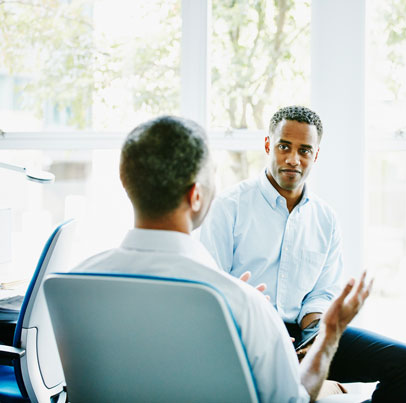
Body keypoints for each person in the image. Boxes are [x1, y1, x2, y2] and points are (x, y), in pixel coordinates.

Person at [70, 115, 372, 402]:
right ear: (196, 196)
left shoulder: (72, 283)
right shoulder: (241, 304)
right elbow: (289, 400)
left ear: (125, 182)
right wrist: (330, 334)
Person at [200, 105, 406, 402]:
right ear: (268, 145)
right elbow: (213, 289)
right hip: (249, 336)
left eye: (304, 150)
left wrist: (316, 340)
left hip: (308, 337)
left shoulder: (325, 219)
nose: (293, 159)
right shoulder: (229, 207)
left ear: (315, 155)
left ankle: (312, 380)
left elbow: (321, 293)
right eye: (284, 147)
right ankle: (319, 385)